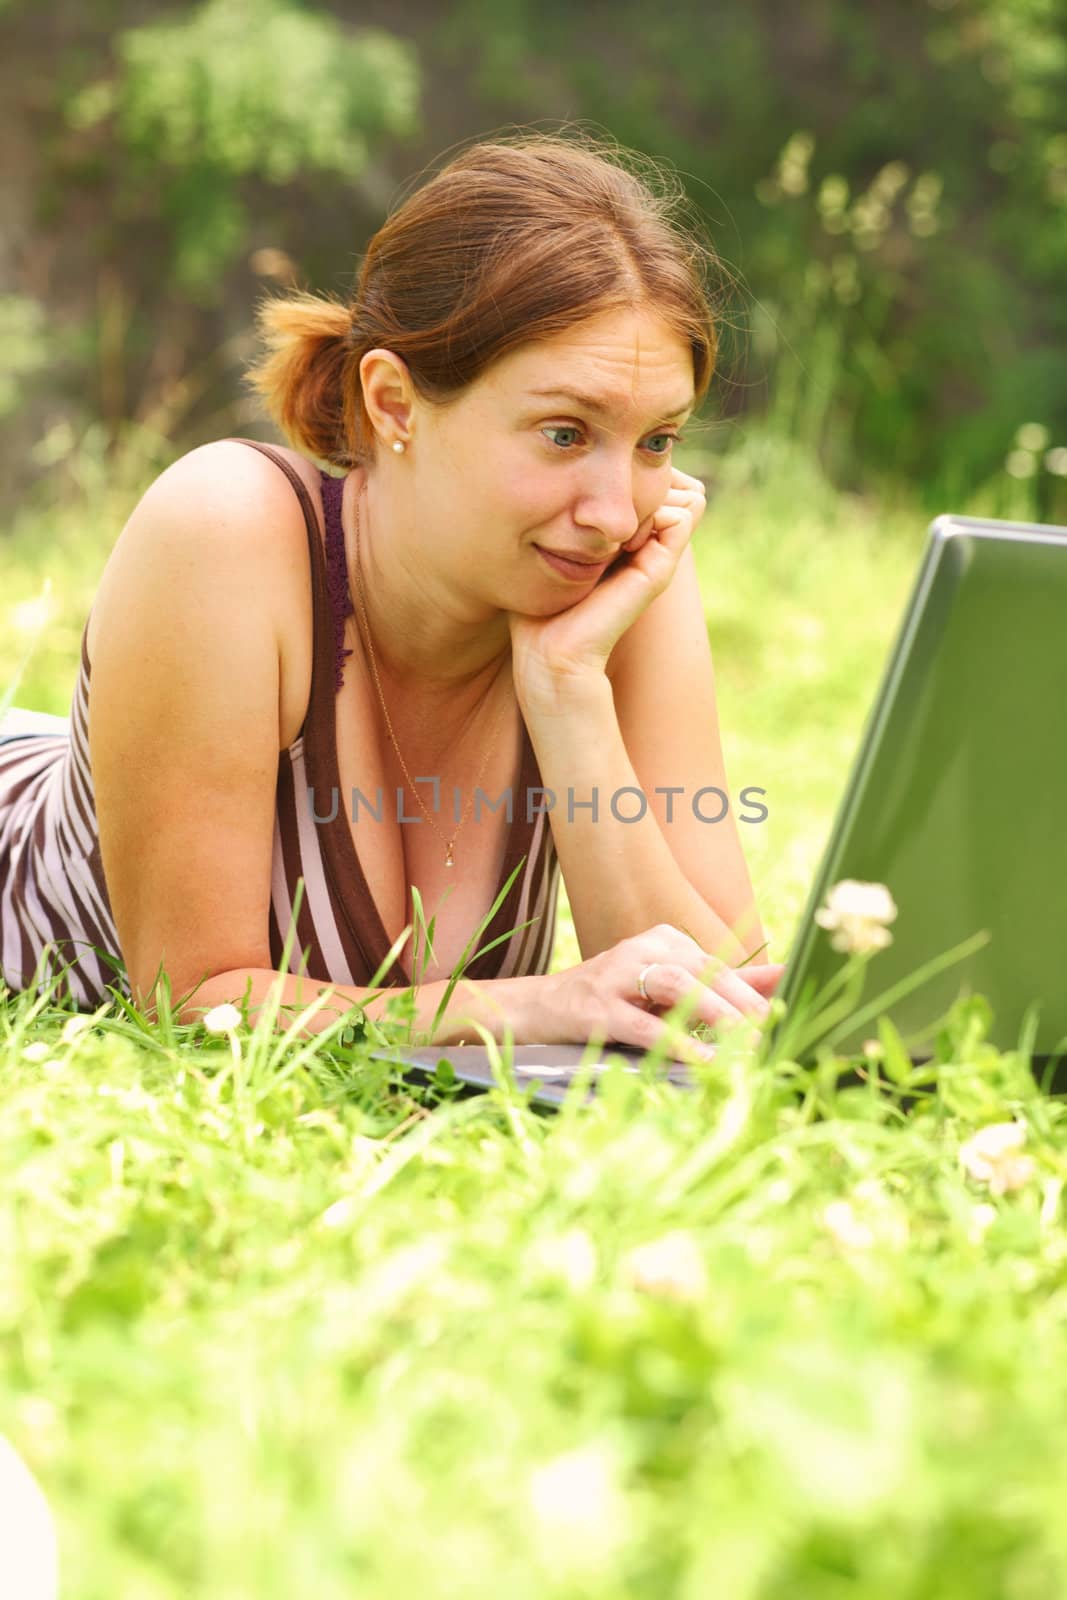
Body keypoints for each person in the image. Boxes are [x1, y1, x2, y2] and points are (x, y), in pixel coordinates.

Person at [0, 130, 783, 1062]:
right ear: (394, 403)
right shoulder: (229, 528)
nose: (616, 511)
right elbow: (190, 996)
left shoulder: (622, 564)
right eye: (565, 433)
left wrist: (569, 689)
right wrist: (527, 1007)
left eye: (657, 440)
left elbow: (725, 1007)